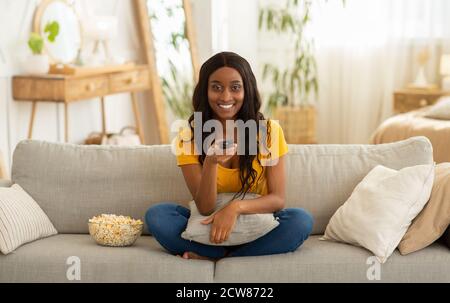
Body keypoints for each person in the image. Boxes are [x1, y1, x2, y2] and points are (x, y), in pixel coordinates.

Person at [145, 52, 313, 260]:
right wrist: (211, 162)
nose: (225, 97)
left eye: (235, 87)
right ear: (205, 91)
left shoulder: (268, 131)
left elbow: (278, 199)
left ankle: (219, 257)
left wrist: (234, 208)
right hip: (208, 225)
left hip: (256, 223)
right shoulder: (189, 136)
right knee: (158, 215)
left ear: (247, 89)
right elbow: (205, 208)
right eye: (216, 87)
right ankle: (239, 256)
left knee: (301, 220)